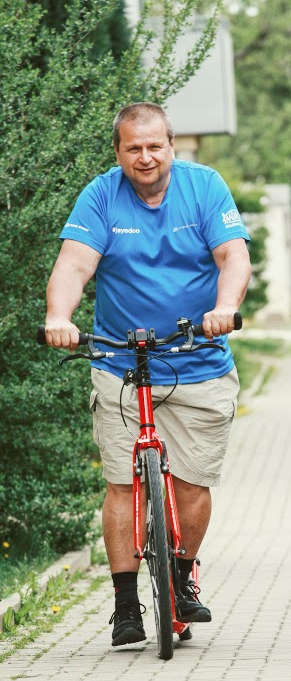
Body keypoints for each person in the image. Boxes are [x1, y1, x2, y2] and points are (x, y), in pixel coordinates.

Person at [44, 102, 252, 646]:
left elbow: (233, 256)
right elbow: (74, 263)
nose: (145, 156)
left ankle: (183, 579)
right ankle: (124, 604)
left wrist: (225, 307)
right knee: (120, 481)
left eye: (154, 145)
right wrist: (58, 317)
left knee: (192, 481)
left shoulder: (204, 187)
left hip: (197, 357)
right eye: (133, 147)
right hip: (120, 360)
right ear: (118, 151)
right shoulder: (101, 195)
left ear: (171, 144)